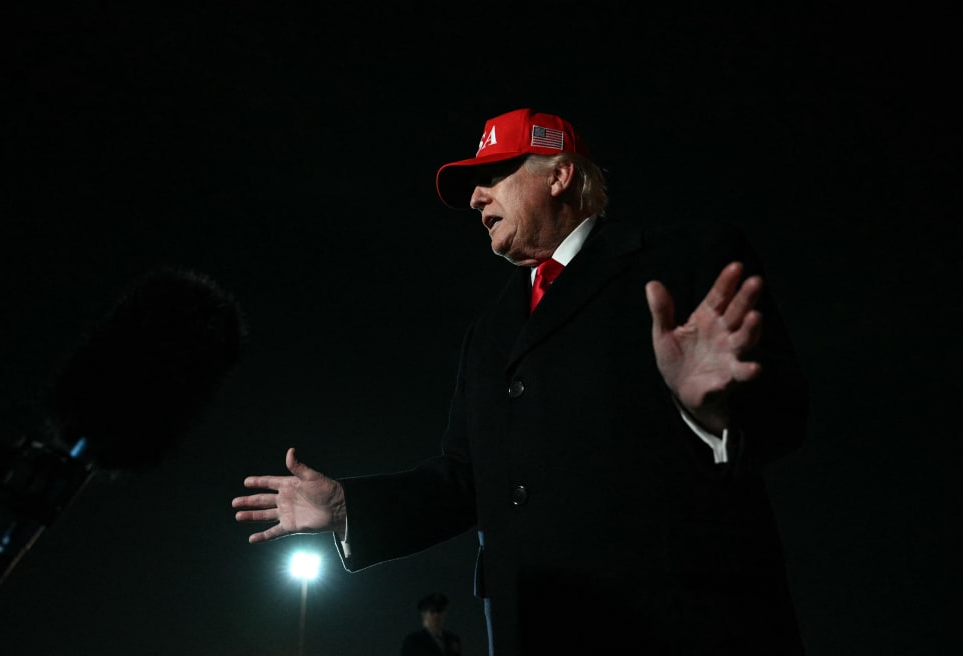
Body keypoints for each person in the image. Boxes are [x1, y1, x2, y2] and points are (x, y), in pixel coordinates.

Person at [232, 108, 808, 655]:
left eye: (493, 176)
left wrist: (711, 414)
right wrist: (349, 505)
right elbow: (464, 480)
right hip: (533, 630)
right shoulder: (487, 335)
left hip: (683, 628)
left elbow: (786, 411)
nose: (477, 198)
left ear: (559, 175)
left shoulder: (685, 259)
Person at [401, 592, 463, 656]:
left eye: (439, 611)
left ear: (445, 614)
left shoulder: (452, 640)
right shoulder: (413, 641)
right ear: (424, 615)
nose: (436, 615)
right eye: (432, 612)